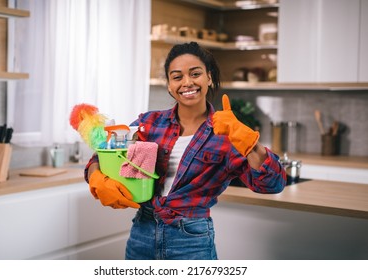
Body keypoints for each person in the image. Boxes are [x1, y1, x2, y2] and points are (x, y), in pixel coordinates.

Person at [84, 41, 286, 260]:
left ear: (208, 77)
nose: (187, 82)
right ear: (170, 85)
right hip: (142, 232)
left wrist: (249, 142)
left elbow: (272, 184)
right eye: (177, 77)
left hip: (191, 240)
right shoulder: (148, 123)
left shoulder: (227, 133)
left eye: (195, 73)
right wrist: (96, 175)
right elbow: (104, 155)